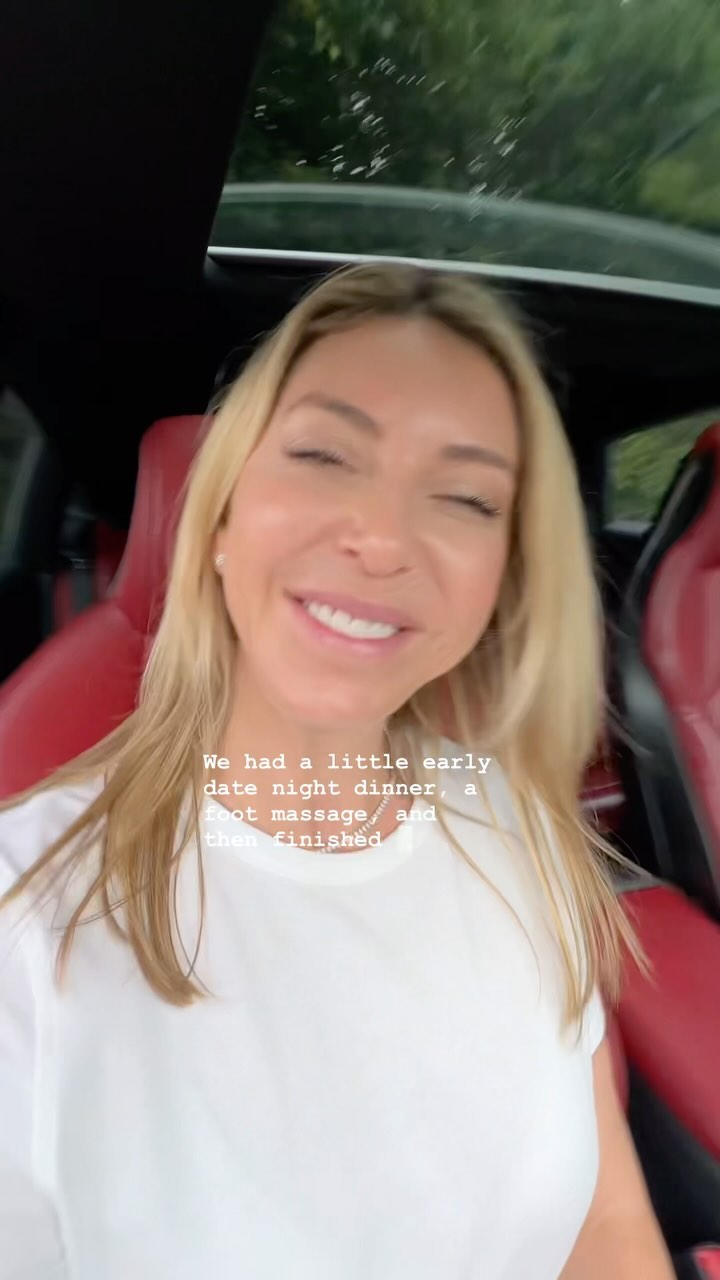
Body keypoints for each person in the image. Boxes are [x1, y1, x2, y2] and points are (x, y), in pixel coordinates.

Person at [0, 262, 674, 1279]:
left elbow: (607, 1225)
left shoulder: (520, 830)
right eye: (323, 453)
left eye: (465, 496)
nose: (383, 538)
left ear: (501, 578)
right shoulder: (26, 912)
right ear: (218, 520)